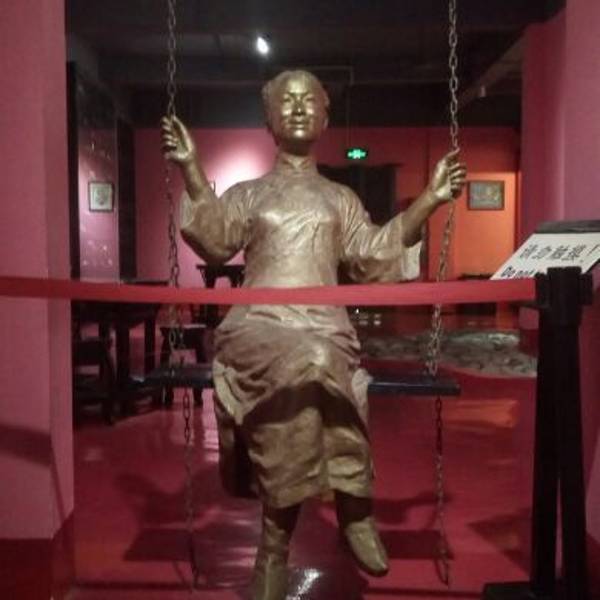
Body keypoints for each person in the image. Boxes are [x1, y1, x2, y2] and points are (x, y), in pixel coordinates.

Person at [162, 69, 466, 600]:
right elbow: (215, 242)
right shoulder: (250, 194)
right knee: (311, 361)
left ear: (325, 118)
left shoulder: (339, 198)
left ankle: (304, 533)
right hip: (258, 326)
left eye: (309, 101)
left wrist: (430, 199)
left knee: (320, 360)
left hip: (324, 325)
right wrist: (190, 168)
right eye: (287, 100)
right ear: (269, 119)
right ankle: (345, 508)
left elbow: (373, 257)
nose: (299, 108)